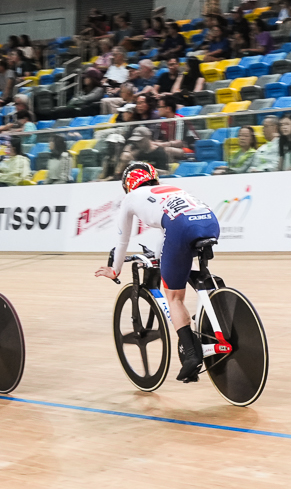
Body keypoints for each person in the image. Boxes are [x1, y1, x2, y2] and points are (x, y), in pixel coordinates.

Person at [94, 162, 224, 383]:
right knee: (183, 265)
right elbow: (167, 231)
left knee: (174, 296)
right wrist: (157, 253)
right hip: (210, 221)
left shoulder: (130, 198)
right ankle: (213, 299)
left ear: (128, 185)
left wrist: (115, 270)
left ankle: (191, 356)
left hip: (180, 228)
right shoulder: (171, 189)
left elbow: (122, 239)